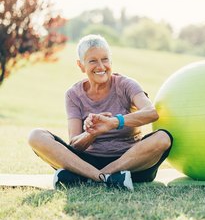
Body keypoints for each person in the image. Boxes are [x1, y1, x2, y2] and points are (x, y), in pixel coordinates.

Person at [28, 34, 173, 190]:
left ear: (111, 61)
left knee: (163, 138)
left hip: (130, 162)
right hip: (87, 161)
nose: (101, 66)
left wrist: (113, 122)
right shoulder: (73, 94)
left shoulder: (126, 85)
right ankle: (104, 178)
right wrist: (91, 133)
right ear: (81, 65)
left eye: (105, 59)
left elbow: (151, 112)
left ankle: (90, 177)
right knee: (36, 136)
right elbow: (75, 145)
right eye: (92, 61)